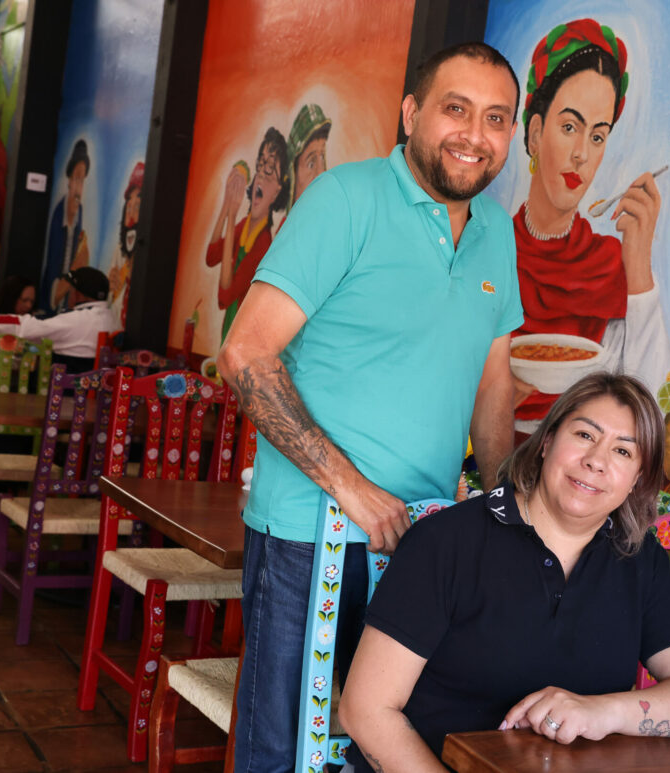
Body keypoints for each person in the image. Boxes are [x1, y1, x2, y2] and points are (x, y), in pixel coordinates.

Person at [215, 42, 524, 771]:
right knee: (282, 750)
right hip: (307, 534)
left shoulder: (496, 233)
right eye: (456, 109)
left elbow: (494, 383)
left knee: (374, 747)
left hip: (427, 544)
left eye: (496, 118)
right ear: (412, 113)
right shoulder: (346, 199)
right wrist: (355, 489)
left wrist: (509, 511)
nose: (474, 134)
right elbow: (245, 354)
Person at [338, 373, 670, 771]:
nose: (596, 460)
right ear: (546, 442)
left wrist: (602, 712)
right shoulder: (446, 542)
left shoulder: (637, 556)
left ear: (636, 481)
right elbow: (366, 710)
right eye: (584, 435)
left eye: (623, 452)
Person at [511, 19, 670, 433]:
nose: (582, 153)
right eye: (569, 128)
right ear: (534, 134)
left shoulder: (609, 266)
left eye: (597, 136)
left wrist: (638, 264)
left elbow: (651, 413)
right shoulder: (488, 246)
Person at [206, 128, 290, 342]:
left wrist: (232, 216)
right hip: (228, 329)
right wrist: (226, 205)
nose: (261, 173)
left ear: (278, 190)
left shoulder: (263, 243)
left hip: (242, 335)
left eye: (270, 170)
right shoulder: (244, 226)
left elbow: (226, 294)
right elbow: (212, 256)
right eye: (261, 165)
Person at [0, 267, 119, 373]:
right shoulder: (111, 319)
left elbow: (23, 328)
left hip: (66, 402)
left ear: (78, 294)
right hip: (96, 399)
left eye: (71, 289)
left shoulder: (76, 320)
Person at [41, 139, 91, 315]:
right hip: (50, 311)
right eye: (76, 178)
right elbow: (52, 292)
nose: (79, 189)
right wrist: (76, 270)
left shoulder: (80, 213)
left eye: (82, 180)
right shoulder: (57, 216)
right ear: (69, 180)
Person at [108, 161, 144, 327]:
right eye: (129, 205)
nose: (130, 220)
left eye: (138, 207)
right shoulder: (120, 251)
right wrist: (111, 288)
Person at [288, 103, 331, 207]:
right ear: (294, 174)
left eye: (322, 157)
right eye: (311, 164)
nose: (320, 173)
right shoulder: (288, 223)